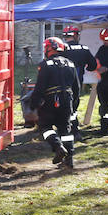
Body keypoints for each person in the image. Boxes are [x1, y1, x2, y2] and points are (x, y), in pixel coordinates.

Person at [29, 37, 79, 167]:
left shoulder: (45, 65)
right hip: (67, 99)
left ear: (47, 48)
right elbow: (76, 87)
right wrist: (74, 105)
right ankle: (69, 161)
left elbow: (40, 87)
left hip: (50, 99)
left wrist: (33, 104)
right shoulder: (71, 64)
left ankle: (58, 147)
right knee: (65, 130)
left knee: (45, 126)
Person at [60, 26, 96, 139]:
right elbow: (93, 65)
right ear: (75, 35)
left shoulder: (62, 49)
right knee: (74, 107)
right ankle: (74, 131)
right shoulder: (84, 49)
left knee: (63, 106)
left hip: (62, 83)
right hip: (77, 83)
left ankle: (65, 130)